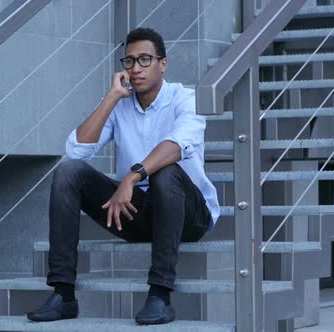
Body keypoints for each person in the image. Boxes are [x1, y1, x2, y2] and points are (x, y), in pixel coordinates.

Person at [26, 27, 220, 325]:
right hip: (138, 212)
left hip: (188, 216)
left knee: (164, 171)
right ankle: (63, 295)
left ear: (162, 63)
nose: (136, 68)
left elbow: (177, 145)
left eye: (145, 60)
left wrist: (131, 177)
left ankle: (160, 295)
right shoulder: (121, 105)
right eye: (129, 62)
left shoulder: (186, 99)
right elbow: (76, 152)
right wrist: (111, 98)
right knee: (68, 172)